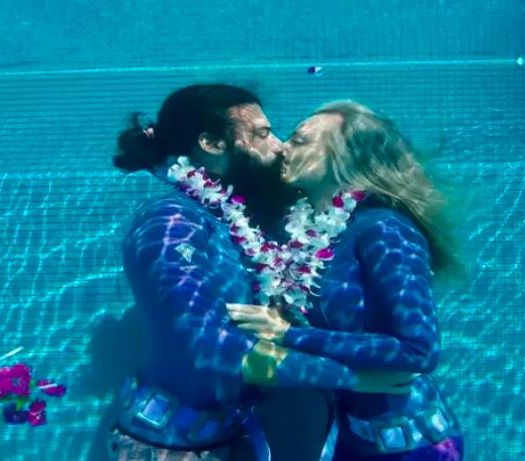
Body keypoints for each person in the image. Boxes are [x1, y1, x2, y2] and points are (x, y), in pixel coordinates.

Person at [109, 87, 415, 461]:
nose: (279, 146)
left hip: (228, 439)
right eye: (262, 134)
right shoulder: (171, 222)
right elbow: (205, 345)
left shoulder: (232, 220)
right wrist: (351, 378)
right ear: (211, 142)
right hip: (166, 447)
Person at [228, 101, 465, 460]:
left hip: (412, 447)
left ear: (344, 159)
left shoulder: (385, 229)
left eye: (299, 140)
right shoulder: (310, 232)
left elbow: (420, 350)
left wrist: (287, 334)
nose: (282, 147)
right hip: (351, 438)